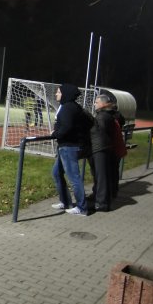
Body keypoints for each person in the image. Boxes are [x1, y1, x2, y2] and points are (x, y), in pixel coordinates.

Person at [50, 83, 89, 216]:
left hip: (69, 146)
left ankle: (82, 208)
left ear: (65, 94)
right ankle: (65, 201)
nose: (56, 94)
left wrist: (55, 134)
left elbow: (67, 127)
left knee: (74, 178)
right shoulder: (72, 107)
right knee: (56, 173)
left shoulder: (68, 108)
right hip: (67, 146)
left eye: (59, 92)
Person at [88, 94, 117, 211]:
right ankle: (100, 198)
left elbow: (99, 130)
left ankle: (102, 203)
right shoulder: (109, 114)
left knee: (101, 176)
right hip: (103, 147)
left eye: (96, 102)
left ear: (104, 104)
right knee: (100, 175)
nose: (95, 104)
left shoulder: (102, 116)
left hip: (100, 148)